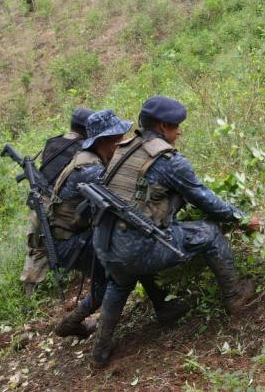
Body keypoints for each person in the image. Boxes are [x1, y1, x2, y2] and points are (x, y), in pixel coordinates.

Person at [90, 96, 259, 367]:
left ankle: (100, 352)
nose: (179, 132)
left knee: (119, 284)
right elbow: (204, 199)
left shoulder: (125, 148)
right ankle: (235, 296)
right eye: (177, 126)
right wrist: (241, 219)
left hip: (105, 245)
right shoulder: (168, 160)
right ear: (163, 126)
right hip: (135, 248)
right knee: (210, 232)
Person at [49, 109, 190, 339]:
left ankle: (163, 305)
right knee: (121, 267)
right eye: (117, 140)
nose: (121, 144)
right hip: (68, 242)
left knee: (130, 249)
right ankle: (73, 322)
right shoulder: (92, 170)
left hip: (73, 234)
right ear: (103, 142)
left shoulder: (92, 159)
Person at [20, 107, 93, 295]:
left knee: (35, 249)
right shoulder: (83, 149)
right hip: (61, 210)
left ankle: (30, 293)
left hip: (39, 207)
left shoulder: (52, 142)